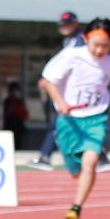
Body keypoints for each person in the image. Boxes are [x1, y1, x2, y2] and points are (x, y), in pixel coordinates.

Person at [39, 17, 110, 219]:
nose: (100, 50)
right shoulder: (72, 56)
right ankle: (77, 177)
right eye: (96, 45)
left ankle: (76, 208)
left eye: (105, 46)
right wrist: (60, 102)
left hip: (96, 118)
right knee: (75, 171)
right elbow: (48, 81)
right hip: (69, 121)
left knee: (90, 162)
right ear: (85, 39)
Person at [30, 11, 84, 169]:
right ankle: (46, 156)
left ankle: (45, 156)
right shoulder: (70, 40)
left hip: (73, 90)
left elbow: (71, 64)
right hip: (66, 90)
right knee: (64, 124)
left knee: (62, 123)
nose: (64, 27)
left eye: (67, 23)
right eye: (62, 24)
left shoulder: (80, 40)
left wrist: (50, 78)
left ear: (75, 23)